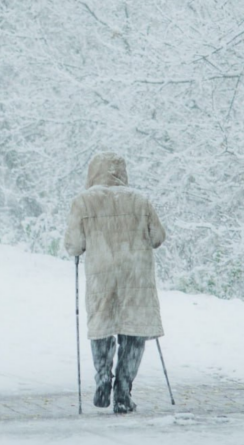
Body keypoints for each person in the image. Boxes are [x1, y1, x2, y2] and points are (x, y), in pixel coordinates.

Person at [64, 152, 166, 414]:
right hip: (136, 275)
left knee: (102, 325)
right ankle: (123, 390)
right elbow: (157, 237)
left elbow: (74, 246)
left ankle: (102, 378)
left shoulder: (83, 202)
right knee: (134, 329)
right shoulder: (139, 201)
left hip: (102, 275)